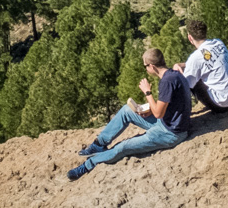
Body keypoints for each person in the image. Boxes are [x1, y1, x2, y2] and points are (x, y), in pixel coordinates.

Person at [67, 47, 191, 181]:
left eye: (145, 66)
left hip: (171, 133)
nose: (145, 69)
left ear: (152, 66)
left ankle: (88, 164)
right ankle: (98, 144)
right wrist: (149, 108)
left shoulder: (167, 81)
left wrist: (147, 92)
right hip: (167, 122)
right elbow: (169, 104)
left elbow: (158, 114)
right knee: (127, 110)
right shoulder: (173, 74)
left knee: (123, 147)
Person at [174, 18, 228, 113]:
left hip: (220, 106)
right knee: (195, 72)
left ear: (190, 37)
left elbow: (185, 85)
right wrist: (183, 65)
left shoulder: (195, 57)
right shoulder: (218, 43)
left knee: (185, 80)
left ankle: (182, 113)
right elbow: (205, 62)